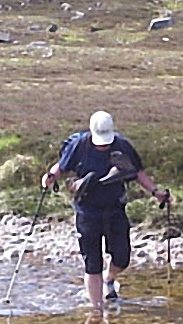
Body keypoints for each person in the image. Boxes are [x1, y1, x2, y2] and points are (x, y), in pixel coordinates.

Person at [42, 111, 169, 312]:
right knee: (92, 263)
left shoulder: (122, 146)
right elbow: (61, 166)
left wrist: (156, 192)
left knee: (122, 257)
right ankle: (96, 311)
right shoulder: (80, 145)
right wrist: (50, 177)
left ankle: (109, 280)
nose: (103, 145)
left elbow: (137, 173)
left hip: (115, 209)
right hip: (87, 212)